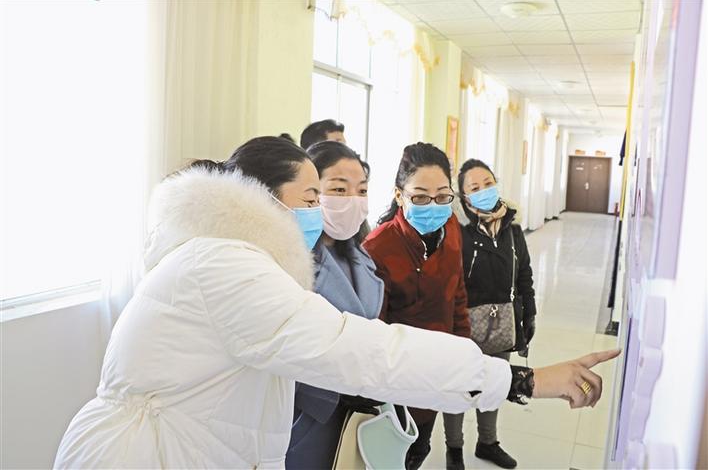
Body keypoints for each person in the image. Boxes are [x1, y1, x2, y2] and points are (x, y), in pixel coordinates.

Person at [54, 136, 618, 469]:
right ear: (260, 200)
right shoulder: (223, 264)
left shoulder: (227, 257)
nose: (320, 212)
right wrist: (521, 380)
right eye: (311, 198)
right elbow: (359, 348)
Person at [361, 142, 474, 470]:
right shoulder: (378, 247)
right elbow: (374, 335)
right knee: (395, 457)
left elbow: (458, 294)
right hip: (396, 384)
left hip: (438, 371)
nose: (433, 206)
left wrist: (464, 351)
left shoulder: (450, 228)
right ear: (399, 196)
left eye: (443, 196)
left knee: (421, 447)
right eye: (421, 197)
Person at [285, 141, 384, 469]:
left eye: (362, 190)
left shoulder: (361, 256)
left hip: (354, 416)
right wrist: (337, 391)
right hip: (309, 413)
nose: (353, 200)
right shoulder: (291, 260)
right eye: (339, 190)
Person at [443, 159, 538, 469]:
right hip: (463, 323)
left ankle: (487, 442)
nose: (483, 190)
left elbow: (523, 274)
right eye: (474, 187)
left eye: (488, 183)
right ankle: (454, 448)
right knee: (459, 387)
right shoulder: (457, 230)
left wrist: (529, 314)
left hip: (503, 320)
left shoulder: (512, 229)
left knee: (495, 384)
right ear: (464, 196)